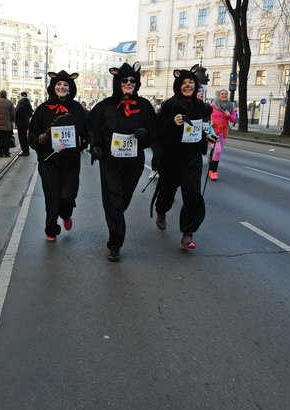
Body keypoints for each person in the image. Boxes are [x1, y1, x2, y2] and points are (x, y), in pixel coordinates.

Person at [88, 62, 157, 262]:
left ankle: (116, 216)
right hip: (110, 161)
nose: (128, 83)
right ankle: (115, 243)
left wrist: (146, 133)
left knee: (123, 199)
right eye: (124, 80)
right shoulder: (105, 106)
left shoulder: (144, 106)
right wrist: (95, 145)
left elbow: (155, 130)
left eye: (132, 81)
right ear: (118, 82)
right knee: (113, 200)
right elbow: (93, 127)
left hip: (134, 163)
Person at [151, 69, 217, 250]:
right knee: (167, 193)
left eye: (191, 83)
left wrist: (206, 136)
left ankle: (188, 233)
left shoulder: (200, 106)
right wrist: (172, 123)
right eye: (184, 83)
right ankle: (161, 211)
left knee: (193, 194)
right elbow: (158, 130)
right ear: (178, 86)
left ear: (195, 85)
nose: (188, 86)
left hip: (192, 157)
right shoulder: (170, 105)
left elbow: (196, 128)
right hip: (172, 157)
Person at [28, 71, 88, 241]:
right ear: (53, 87)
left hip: (71, 162)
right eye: (59, 84)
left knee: (67, 196)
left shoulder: (77, 109)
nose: (62, 87)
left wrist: (85, 143)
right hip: (49, 160)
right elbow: (32, 133)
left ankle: (66, 215)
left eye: (65, 85)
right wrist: (39, 139)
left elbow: (87, 130)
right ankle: (51, 229)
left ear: (70, 88)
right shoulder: (43, 109)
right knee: (52, 196)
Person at [209, 89, 236, 181]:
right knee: (217, 151)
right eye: (222, 94)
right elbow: (205, 115)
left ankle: (211, 168)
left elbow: (234, 119)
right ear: (219, 95)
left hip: (223, 132)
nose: (224, 95)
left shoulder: (230, 107)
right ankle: (213, 171)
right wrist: (210, 122)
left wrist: (229, 115)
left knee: (217, 152)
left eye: (226, 94)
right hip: (213, 131)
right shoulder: (213, 106)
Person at [15, 91, 34, 156]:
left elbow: (17, 113)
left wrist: (16, 120)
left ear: (21, 96)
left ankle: (25, 151)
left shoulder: (20, 103)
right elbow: (31, 113)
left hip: (20, 123)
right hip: (26, 123)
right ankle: (26, 150)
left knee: (21, 137)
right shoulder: (28, 103)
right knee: (25, 137)